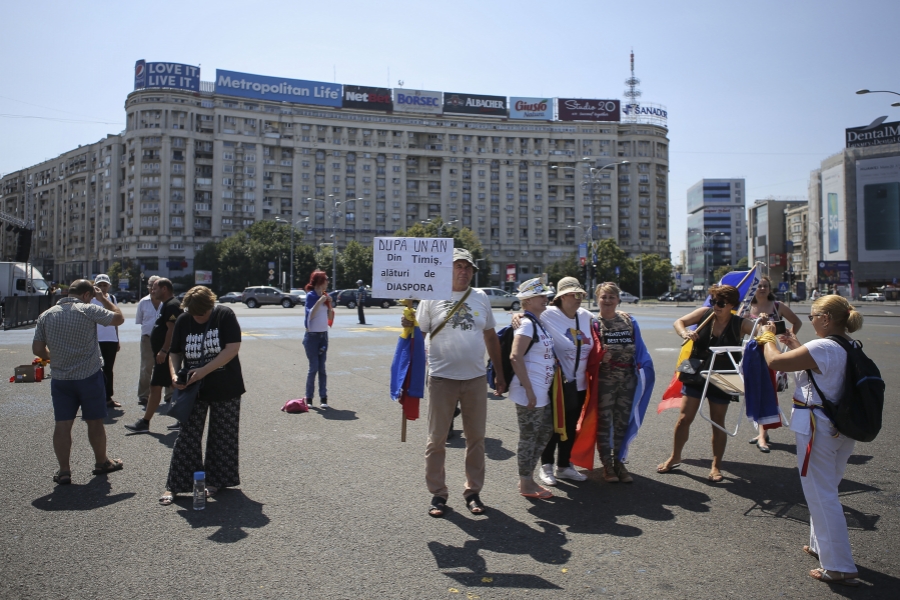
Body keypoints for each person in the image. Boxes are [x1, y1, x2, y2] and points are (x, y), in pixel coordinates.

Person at [757, 295, 863, 587]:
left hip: (817, 427)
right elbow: (823, 372)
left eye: (815, 315)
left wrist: (767, 337)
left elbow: (775, 361)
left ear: (827, 318)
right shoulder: (847, 345)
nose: (812, 319)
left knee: (821, 494)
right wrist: (794, 345)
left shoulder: (822, 346)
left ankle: (840, 565)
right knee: (827, 489)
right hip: (841, 427)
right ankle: (821, 546)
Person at [404, 248, 506, 517]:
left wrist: (499, 373)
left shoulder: (481, 297)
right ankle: (438, 494)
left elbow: (491, 337)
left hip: (474, 380)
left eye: (467, 267)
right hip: (441, 379)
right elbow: (418, 335)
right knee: (437, 439)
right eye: (458, 266)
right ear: (447, 270)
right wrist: (408, 325)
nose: (463, 271)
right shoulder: (431, 297)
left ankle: (473, 491)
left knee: (476, 439)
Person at [657, 284, 756, 482]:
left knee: (718, 422)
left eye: (721, 303)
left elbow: (761, 333)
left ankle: (716, 466)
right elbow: (680, 322)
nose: (716, 306)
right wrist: (685, 333)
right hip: (697, 371)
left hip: (724, 375)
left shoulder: (740, 324)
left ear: (732, 305)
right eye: (713, 301)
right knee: (684, 418)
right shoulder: (705, 314)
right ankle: (675, 456)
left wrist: (764, 325)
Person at [32, 279, 125, 485]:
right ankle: (101, 462)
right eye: (91, 295)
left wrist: (55, 358)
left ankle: (64, 470)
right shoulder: (88, 309)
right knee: (95, 421)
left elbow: (38, 350)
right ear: (85, 295)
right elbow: (119, 318)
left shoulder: (46, 315)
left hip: (61, 378)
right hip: (89, 375)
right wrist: (104, 299)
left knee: (63, 424)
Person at [159, 286, 245, 505]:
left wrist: (203, 371)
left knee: (222, 436)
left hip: (226, 386)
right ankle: (176, 485)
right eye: (194, 313)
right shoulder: (183, 320)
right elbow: (175, 352)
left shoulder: (224, 314)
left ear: (211, 306)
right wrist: (174, 376)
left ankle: (216, 481)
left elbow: (232, 348)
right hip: (192, 389)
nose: (197, 317)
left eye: (202, 314)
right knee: (187, 435)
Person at [581, 282, 654, 483]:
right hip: (605, 382)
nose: (607, 301)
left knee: (622, 423)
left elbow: (640, 350)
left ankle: (619, 462)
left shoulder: (629, 321)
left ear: (618, 300)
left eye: (612, 297)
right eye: (604, 297)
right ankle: (607, 465)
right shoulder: (592, 323)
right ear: (597, 298)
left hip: (627, 380)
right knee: (604, 423)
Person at [536, 277, 594, 485]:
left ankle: (564, 466)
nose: (578, 298)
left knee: (570, 426)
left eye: (580, 294)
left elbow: (603, 322)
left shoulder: (586, 316)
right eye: (573, 294)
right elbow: (528, 316)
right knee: (552, 426)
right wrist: (516, 316)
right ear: (561, 297)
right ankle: (546, 466)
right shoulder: (548, 314)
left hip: (579, 384)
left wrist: (622, 315)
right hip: (555, 384)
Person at [507, 278, 556, 499]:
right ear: (527, 300)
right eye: (541, 296)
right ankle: (525, 483)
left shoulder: (538, 321)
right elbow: (515, 356)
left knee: (544, 432)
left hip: (540, 391)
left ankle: (528, 478)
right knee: (528, 436)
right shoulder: (527, 324)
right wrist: (528, 389)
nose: (546, 299)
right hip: (530, 391)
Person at [747, 276, 802, 451]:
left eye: (766, 286)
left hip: (770, 350)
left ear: (770, 289)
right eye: (759, 286)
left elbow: (796, 322)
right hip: (751, 350)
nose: (762, 288)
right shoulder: (747, 306)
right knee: (754, 389)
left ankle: (763, 435)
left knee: (766, 389)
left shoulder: (777, 306)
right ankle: (761, 431)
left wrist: (788, 336)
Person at [124, 278, 181, 433]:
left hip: (165, 356)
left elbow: (172, 330)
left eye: (155, 288)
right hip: (162, 355)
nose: (152, 291)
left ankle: (146, 422)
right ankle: (183, 420)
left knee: (159, 386)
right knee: (164, 386)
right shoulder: (166, 305)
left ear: (164, 289)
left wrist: (163, 350)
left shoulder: (172, 305)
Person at [135, 275, 170, 407]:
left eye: (155, 286)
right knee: (146, 368)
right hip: (147, 339)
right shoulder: (143, 302)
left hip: (165, 340)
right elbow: (140, 321)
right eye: (151, 286)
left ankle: (169, 395)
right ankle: (144, 396)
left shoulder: (166, 303)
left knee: (167, 367)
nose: (153, 289)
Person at [303, 270, 334, 408]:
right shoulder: (311, 296)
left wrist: (329, 305)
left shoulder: (325, 296)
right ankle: (309, 398)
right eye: (326, 279)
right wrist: (319, 301)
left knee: (322, 368)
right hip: (312, 337)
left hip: (323, 336)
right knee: (314, 367)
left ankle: (324, 398)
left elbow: (330, 319)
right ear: (320, 281)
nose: (328, 281)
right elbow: (310, 314)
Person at [91, 274, 121, 408]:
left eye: (105, 285)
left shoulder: (112, 298)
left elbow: (117, 319)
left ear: (109, 286)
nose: (102, 288)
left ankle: (108, 397)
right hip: (96, 338)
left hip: (110, 339)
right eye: (100, 285)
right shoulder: (91, 300)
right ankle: (94, 397)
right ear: (95, 286)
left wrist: (117, 339)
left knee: (108, 369)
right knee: (94, 369)